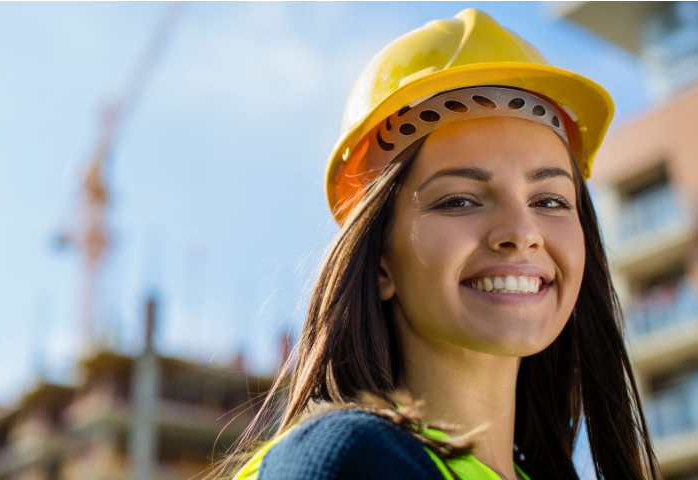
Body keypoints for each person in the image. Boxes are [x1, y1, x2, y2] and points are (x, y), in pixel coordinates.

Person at [213, 9, 661, 480]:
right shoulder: (352, 458)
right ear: (380, 262)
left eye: (549, 200)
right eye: (460, 200)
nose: (521, 232)